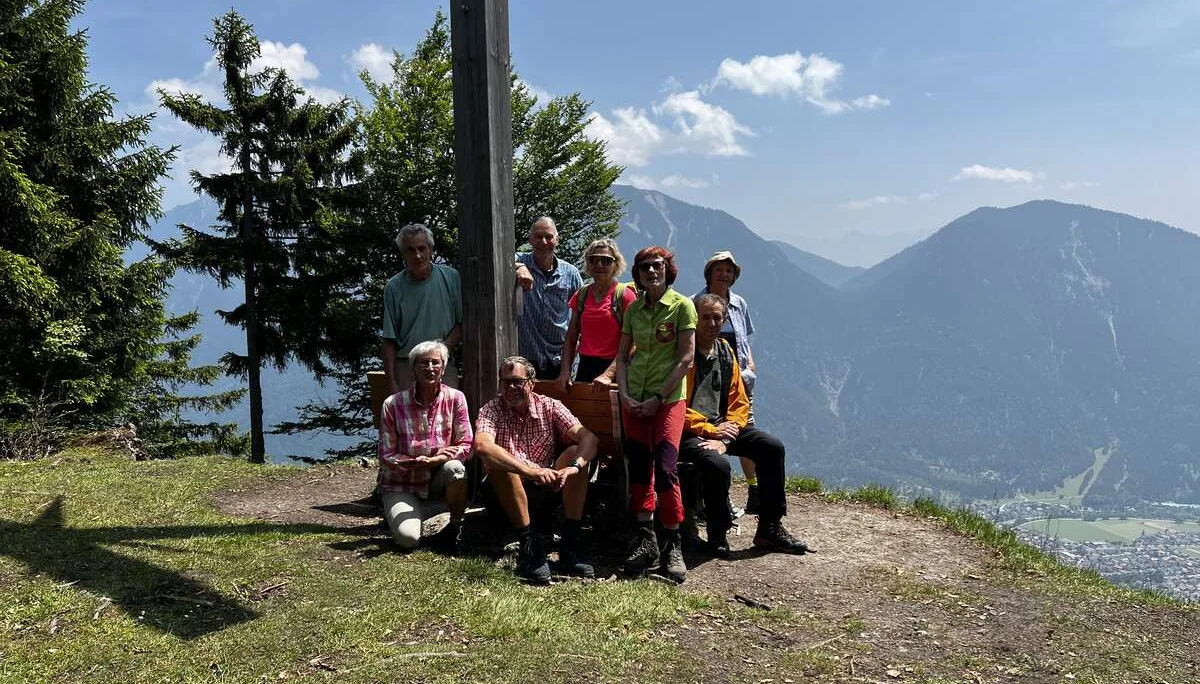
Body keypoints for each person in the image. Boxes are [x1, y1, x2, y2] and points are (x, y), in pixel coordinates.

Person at [680, 295, 811, 558]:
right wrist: (710, 430)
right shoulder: (683, 353)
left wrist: (727, 434)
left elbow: (740, 400)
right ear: (694, 318)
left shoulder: (726, 351)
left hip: (724, 427)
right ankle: (717, 535)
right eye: (705, 316)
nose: (712, 323)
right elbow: (675, 405)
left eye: (718, 317)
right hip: (690, 430)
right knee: (717, 464)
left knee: (772, 448)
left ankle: (769, 528)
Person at [474, 356, 600, 582]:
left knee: (575, 454)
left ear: (532, 383)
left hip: (546, 490)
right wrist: (530, 471)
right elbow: (483, 446)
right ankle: (529, 546)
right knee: (499, 463)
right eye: (505, 382)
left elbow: (589, 438)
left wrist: (572, 468)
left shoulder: (549, 406)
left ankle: (570, 543)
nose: (510, 388)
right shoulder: (491, 410)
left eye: (517, 381)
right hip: (504, 495)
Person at [615, 246, 696, 583]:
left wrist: (657, 397)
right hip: (634, 398)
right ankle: (646, 541)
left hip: (667, 400)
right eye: (645, 267)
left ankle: (673, 542)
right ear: (638, 273)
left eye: (657, 266)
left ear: (668, 270)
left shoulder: (682, 307)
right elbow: (621, 357)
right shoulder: (634, 309)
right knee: (639, 466)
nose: (652, 272)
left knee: (665, 468)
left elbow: (686, 358)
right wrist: (625, 393)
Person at [377, 341, 473, 552]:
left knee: (455, 469)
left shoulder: (456, 398)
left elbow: (466, 444)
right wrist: (412, 462)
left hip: (438, 477)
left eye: (435, 363)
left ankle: (456, 527)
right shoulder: (393, 404)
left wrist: (438, 459)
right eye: (423, 363)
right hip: (402, 482)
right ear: (413, 368)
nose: (430, 368)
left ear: (443, 368)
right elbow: (385, 454)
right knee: (408, 540)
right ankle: (397, 509)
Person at [695, 250, 761, 513]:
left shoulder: (739, 304)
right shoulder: (696, 302)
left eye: (729, 271)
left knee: (745, 428)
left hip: (739, 378)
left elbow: (745, 338)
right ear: (709, 272)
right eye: (719, 269)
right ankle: (711, 496)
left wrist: (750, 364)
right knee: (707, 435)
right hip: (707, 382)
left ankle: (754, 488)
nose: (724, 274)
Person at [381, 224, 463, 394]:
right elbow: (389, 339)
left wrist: (441, 351)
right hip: (406, 367)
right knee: (406, 421)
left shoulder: (451, 278)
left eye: (421, 248)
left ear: (430, 249)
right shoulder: (394, 287)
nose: (417, 255)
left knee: (446, 419)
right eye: (410, 250)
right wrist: (391, 381)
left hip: (443, 364)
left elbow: (462, 323)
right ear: (402, 253)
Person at [556, 238, 637, 393]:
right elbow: (572, 337)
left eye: (606, 261)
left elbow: (634, 341)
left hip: (616, 370)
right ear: (588, 263)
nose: (599, 265)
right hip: (585, 367)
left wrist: (608, 374)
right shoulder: (582, 295)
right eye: (593, 260)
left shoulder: (625, 296)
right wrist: (565, 371)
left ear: (616, 264)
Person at [515, 217, 584, 379]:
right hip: (526, 357)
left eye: (549, 236)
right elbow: (502, 255)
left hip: (559, 360)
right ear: (530, 240)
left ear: (557, 240)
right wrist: (519, 267)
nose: (544, 241)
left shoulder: (571, 273)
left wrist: (570, 361)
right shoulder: (519, 261)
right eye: (538, 237)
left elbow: (581, 316)